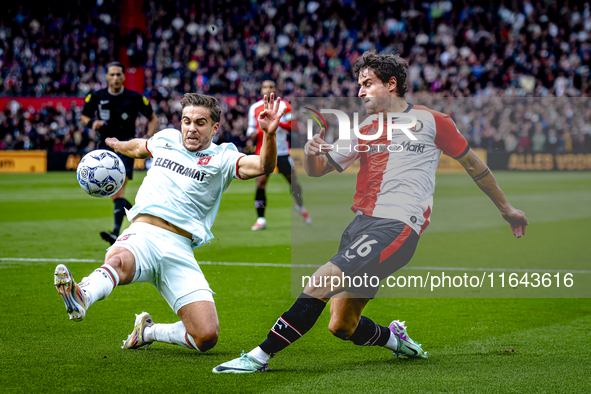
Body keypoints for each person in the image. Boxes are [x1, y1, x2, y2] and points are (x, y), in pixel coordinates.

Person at [213, 51, 529, 373]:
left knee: (321, 280)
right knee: (342, 325)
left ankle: (258, 356)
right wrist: (310, 153)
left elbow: (474, 166)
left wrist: (507, 208)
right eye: (359, 84)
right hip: (359, 226)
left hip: (397, 226)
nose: (360, 91)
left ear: (392, 84)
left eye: (367, 84)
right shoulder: (364, 127)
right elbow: (320, 169)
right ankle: (397, 340)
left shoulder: (434, 121)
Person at [55, 93, 286, 353]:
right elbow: (140, 147)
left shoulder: (223, 158)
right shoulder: (166, 139)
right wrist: (118, 145)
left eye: (200, 123)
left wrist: (269, 135)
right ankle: (82, 294)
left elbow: (264, 165)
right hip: (143, 233)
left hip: (179, 248)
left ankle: (148, 331)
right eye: (186, 121)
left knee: (206, 336)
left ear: (215, 127)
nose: (191, 128)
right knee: (118, 259)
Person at [81, 61, 159, 245]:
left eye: (119, 75)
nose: (115, 78)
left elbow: (152, 118)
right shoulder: (96, 96)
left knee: (117, 194)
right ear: (106, 77)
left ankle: (116, 233)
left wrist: (148, 139)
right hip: (103, 151)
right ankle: (145, 223)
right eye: (112, 75)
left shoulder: (134, 98)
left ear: (124, 77)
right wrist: (92, 123)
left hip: (126, 149)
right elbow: (84, 116)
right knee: (115, 196)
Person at [247, 79, 311, 231]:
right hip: (262, 152)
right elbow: (250, 130)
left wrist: (276, 123)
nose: (268, 89)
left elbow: (294, 127)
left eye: (271, 86)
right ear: (261, 90)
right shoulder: (254, 108)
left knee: (293, 183)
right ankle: (260, 219)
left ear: (275, 89)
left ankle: (300, 206)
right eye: (265, 86)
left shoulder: (285, 106)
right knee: (260, 184)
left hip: (281, 152)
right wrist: (254, 134)